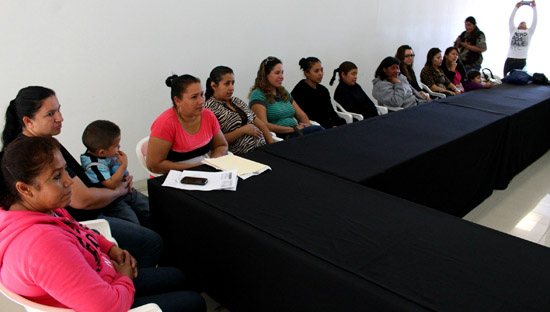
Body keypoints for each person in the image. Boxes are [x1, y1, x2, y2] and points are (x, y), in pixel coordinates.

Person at [0, 136, 206, 312]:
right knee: (194, 301)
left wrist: (109, 247)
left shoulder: (37, 209)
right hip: (108, 299)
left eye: (65, 171)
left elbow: (78, 230)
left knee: (180, 275)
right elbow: (107, 307)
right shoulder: (41, 245)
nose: (68, 181)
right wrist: (124, 278)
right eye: (56, 176)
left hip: (103, 279)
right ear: (25, 189)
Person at [1, 86, 162, 268]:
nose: (60, 118)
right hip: (85, 220)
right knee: (150, 240)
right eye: (50, 114)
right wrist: (118, 190)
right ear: (28, 121)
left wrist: (117, 180)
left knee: (158, 214)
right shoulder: (34, 153)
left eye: (59, 110)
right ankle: (140, 283)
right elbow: (82, 200)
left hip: (100, 202)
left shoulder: (46, 141)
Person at [147, 74, 228, 174]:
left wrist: (212, 163)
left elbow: (221, 145)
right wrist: (195, 168)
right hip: (174, 177)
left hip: (203, 172)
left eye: (202, 94)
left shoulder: (208, 115)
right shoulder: (165, 123)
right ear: (177, 101)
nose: (201, 101)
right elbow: (154, 165)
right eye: (194, 97)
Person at [81, 120, 150, 226]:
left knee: (149, 207)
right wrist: (123, 166)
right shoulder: (93, 165)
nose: (119, 147)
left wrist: (125, 175)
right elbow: (111, 184)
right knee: (132, 223)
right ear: (101, 152)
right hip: (111, 201)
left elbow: (116, 170)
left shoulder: (107, 154)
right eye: (116, 146)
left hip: (124, 191)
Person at [249, 56, 324, 139]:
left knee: (320, 134)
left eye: (282, 73)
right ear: (265, 75)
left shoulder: (283, 92)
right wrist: (293, 129)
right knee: (320, 131)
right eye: (277, 73)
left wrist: (308, 127)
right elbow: (264, 125)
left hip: (297, 132)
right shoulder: (258, 95)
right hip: (283, 137)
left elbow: (301, 115)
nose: (281, 76)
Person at [204, 66, 273, 154]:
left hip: (262, 148)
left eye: (233, 83)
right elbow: (216, 142)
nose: (231, 88)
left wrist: (272, 147)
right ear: (214, 85)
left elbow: (260, 124)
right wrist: (243, 130)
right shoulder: (209, 108)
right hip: (241, 154)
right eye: (227, 84)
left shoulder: (237, 101)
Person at [291, 57, 347, 128]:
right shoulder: (299, 91)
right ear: (306, 73)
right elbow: (307, 116)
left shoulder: (323, 90)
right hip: (316, 126)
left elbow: (331, 111)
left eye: (321, 70)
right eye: (316, 71)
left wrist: (337, 123)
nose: (320, 74)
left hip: (329, 123)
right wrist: (331, 126)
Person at [504, 1, 537, 76]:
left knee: (519, 82)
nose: (522, 22)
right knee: (506, 80)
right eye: (521, 22)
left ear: (527, 27)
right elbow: (510, 20)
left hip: (521, 61)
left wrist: (534, 8)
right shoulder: (513, 30)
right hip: (510, 60)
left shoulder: (529, 32)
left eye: (524, 22)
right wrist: (516, 7)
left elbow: (535, 21)